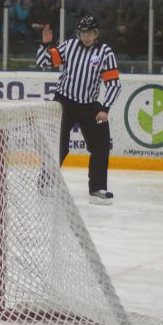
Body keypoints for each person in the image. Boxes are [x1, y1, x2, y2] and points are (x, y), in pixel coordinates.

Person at [36, 15, 121, 205]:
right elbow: (44, 62)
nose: (85, 37)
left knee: (101, 145)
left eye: (89, 33)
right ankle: (45, 182)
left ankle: (97, 189)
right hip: (63, 102)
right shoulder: (70, 46)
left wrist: (105, 108)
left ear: (96, 33)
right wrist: (45, 44)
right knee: (59, 145)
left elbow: (114, 85)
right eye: (82, 33)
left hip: (90, 106)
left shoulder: (105, 52)